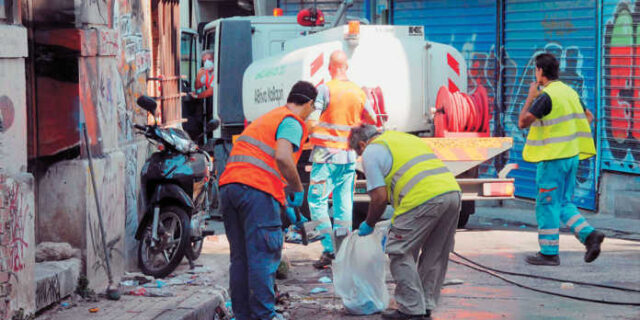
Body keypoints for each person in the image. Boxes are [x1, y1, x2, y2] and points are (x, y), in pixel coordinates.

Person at [218, 81, 317, 320]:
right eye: (314, 109)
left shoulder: (267, 118)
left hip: (229, 188)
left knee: (240, 259)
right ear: (310, 104)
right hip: (256, 192)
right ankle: (264, 315)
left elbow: (260, 162)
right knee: (262, 256)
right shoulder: (293, 122)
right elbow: (283, 156)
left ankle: (242, 315)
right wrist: (296, 188)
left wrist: (282, 199)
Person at [350, 125, 461, 320]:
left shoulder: (371, 151)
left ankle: (410, 308)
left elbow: (379, 197)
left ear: (361, 144)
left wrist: (369, 223)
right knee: (435, 253)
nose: (361, 157)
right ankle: (425, 305)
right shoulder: (404, 138)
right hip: (452, 193)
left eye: (358, 152)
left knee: (399, 250)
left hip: (422, 198)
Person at [518, 53, 604, 266]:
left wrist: (530, 96)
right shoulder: (570, 92)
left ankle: (549, 253)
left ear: (540, 72)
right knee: (563, 202)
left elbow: (522, 122)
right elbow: (589, 117)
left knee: (547, 204)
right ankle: (590, 236)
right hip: (571, 156)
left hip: (553, 159)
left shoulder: (546, 96)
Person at [307, 50, 376, 269]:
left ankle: (329, 249)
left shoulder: (325, 89)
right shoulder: (358, 92)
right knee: (344, 202)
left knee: (317, 201)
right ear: (346, 67)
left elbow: (313, 118)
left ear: (330, 67)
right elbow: (373, 119)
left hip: (325, 155)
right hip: (348, 157)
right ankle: (344, 247)